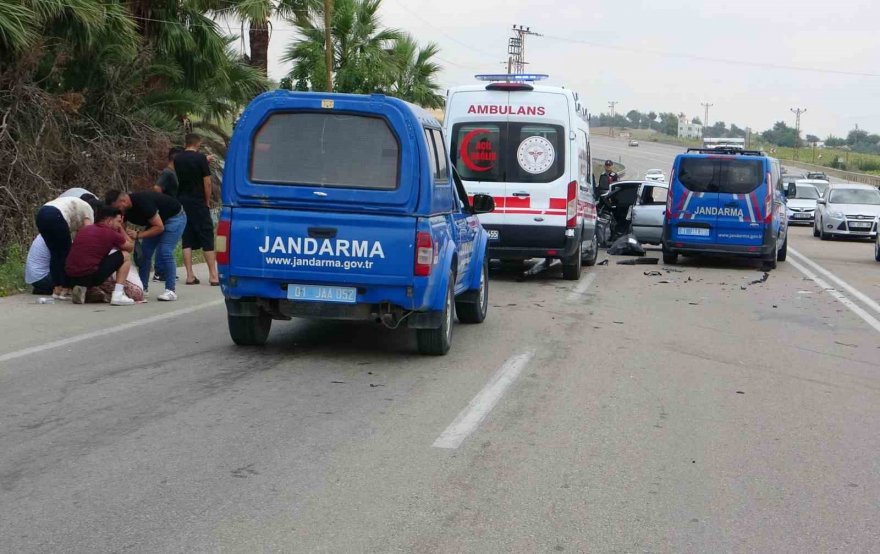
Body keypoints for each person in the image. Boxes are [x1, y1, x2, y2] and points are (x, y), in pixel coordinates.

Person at [106, 190, 187, 302]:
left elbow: (160, 227)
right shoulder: (123, 211)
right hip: (154, 223)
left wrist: (139, 235)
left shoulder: (143, 202)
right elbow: (122, 232)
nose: (118, 212)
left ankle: (170, 290)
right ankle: (142, 289)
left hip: (174, 218)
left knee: (165, 251)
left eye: (118, 208)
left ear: (123, 201)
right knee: (144, 254)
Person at [66, 205, 136, 306]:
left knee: (93, 259)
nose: (119, 225)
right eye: (118, 222)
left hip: (71, 277)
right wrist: (121, 230)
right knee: (125, 256)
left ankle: (82, 288)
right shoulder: (111, 233)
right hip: (90, 276)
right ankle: (118, 294)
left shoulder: (84, 229)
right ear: (109, 220)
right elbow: (130, 247)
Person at [174, 133, 219, 286]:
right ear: (198, 143)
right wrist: (207, 200)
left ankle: (189, 275)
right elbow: (206, 182)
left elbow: (187, 172)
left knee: (186, 238)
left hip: (183, 202)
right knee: (206, 235)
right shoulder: (200, 158)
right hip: (198, 201)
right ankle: (213, 275)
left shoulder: (177, 159)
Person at [35, 195, 94, 300]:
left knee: (55, 253)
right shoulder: (88, 210)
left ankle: (57, 288)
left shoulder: (74, 203)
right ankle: (66, 289)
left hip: (41, 214)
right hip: (56, 215)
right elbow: (88, 232)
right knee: (67, 253)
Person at [152, 146, 183, 282]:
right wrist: (163, 203)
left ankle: (163, 270)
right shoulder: (167, 173)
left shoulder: (175, 173)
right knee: (164, 242)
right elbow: (157, 188)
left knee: (167, 242)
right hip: (168, 212)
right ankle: (160, 271)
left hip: (174, 210)